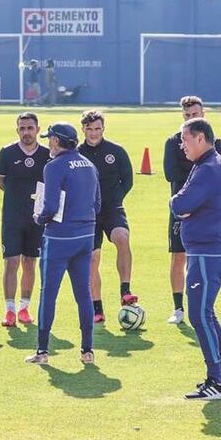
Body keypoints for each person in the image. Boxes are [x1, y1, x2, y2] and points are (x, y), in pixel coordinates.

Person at [171, 118, 221, 400]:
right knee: (206, 312)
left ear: (200, 138)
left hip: (207, 251)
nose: (181, 146)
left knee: (199, 314)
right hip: (205, 249)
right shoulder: (206, 165)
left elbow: (180, 204)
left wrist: (180, 205)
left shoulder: (208, 169)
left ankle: (216, 382)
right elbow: (183, 205)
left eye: (185, 140)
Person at [23, 123, 100, 364]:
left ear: (57, 141)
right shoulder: (89, 164)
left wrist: (39, 218)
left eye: (50, 139)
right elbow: (97, 204)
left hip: (59, 238)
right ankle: (87, 351)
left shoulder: (54, 166)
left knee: (48, 294)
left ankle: (42, 351)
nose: (48, 143)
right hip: (86, 236)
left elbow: (51, 207)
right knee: (83, 294)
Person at [164, 96, 221, 324]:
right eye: (188, 115)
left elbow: (217, 174)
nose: (192, 118)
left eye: (196, 114)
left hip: (204, 209)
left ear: (204, 114)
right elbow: (172, 174)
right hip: (181, 205)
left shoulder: (215, 143)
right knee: (178, 255)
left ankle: (201, 303)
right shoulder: (173, 142)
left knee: (198, 257)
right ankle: (178, 307)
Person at [78, 109, 136, 323]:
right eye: (90, 129)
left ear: (104, 128)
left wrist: (114, 199)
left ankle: (125, 291)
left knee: (122, 237)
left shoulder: (116, 151)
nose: (94, 133)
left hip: (112, 209)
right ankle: (97, 308)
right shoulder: (76, 154)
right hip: (87, 214)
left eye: (98, 129)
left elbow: (127, 179)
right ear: (83, 129)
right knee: (93, 259)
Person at [0, 112, 50, 327]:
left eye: (30, 128)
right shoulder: (7, 153)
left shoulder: (47, 154)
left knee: (30, 262)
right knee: (11, 262)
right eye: (22, 128)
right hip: (12, 216)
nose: (26, 132)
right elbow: (0, 180)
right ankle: (9, 310)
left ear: (37, 129)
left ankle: (24, 308)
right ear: (17, 130)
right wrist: (16, 198)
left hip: (37, 218)